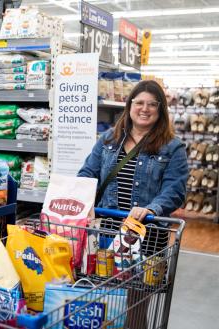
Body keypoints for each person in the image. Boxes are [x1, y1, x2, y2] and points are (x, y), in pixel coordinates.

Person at [77, 80, 188, 329]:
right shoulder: (109, 140)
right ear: (129, 106)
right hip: (107, 233)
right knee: (105, 300)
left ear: (160, 110)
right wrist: (80, 198)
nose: (144, 109)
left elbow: (176, 190)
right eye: (139, 102)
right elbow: (87, 173)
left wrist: (152, 209)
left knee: (136, 305)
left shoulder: (172, 147)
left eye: (152, 104)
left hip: (146, 236)